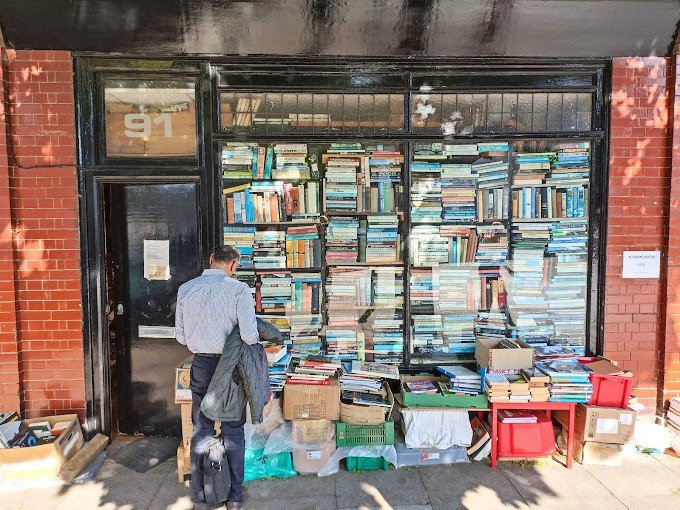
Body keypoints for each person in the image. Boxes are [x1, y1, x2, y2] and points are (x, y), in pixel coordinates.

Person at [175, 245, 258, 510]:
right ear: (234, 266)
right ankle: (234, 497)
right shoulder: (239, 290)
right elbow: (248, 335)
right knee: (233, 431)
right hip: (230, 367)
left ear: (211, 260)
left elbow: (181, 337)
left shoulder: (186, 289)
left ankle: (201, 498)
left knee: (202, 430)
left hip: (201, 365)